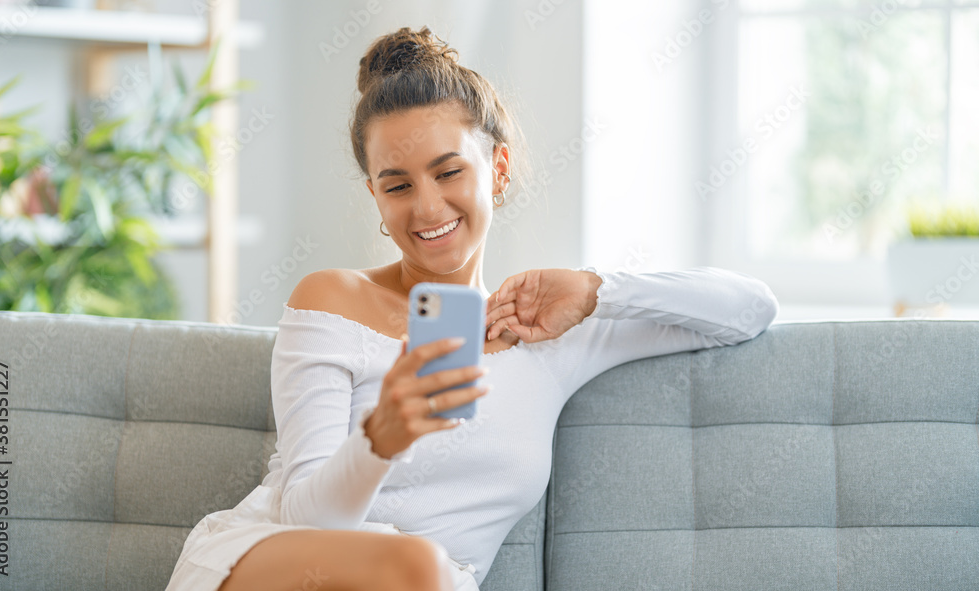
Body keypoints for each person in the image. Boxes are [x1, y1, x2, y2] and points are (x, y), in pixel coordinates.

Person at [165, 25, 779, 591]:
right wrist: (380, 439)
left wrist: (597, 289)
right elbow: (308, 518)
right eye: (397, 185)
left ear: (498, 168)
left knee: (423, 568)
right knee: (414, 564)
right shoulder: (332, 299)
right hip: (281, 565)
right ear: (376, 198)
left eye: (449, 171)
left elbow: (749, 307)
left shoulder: (552, 333)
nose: (428, 209)